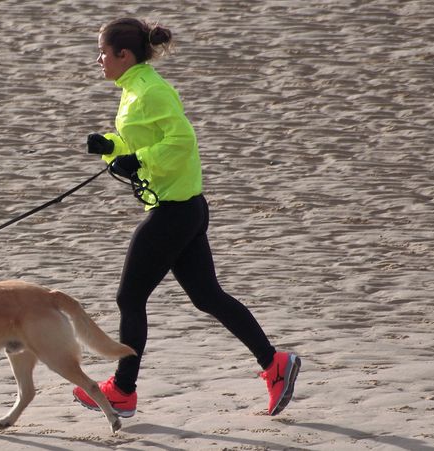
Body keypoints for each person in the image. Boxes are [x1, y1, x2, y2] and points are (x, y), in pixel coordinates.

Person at [72, 18, 300, 419]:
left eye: (103, 53)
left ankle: (123, 390)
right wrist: (110, 146)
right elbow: (144, 141)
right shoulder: (132, 89)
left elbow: (180, 142)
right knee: (206, 296)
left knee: (130, 297)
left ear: (124, 55)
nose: (99, 60)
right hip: (183, 207)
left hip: (175, 211)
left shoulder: (151, 91)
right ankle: (274, 363)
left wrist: (137, 160)